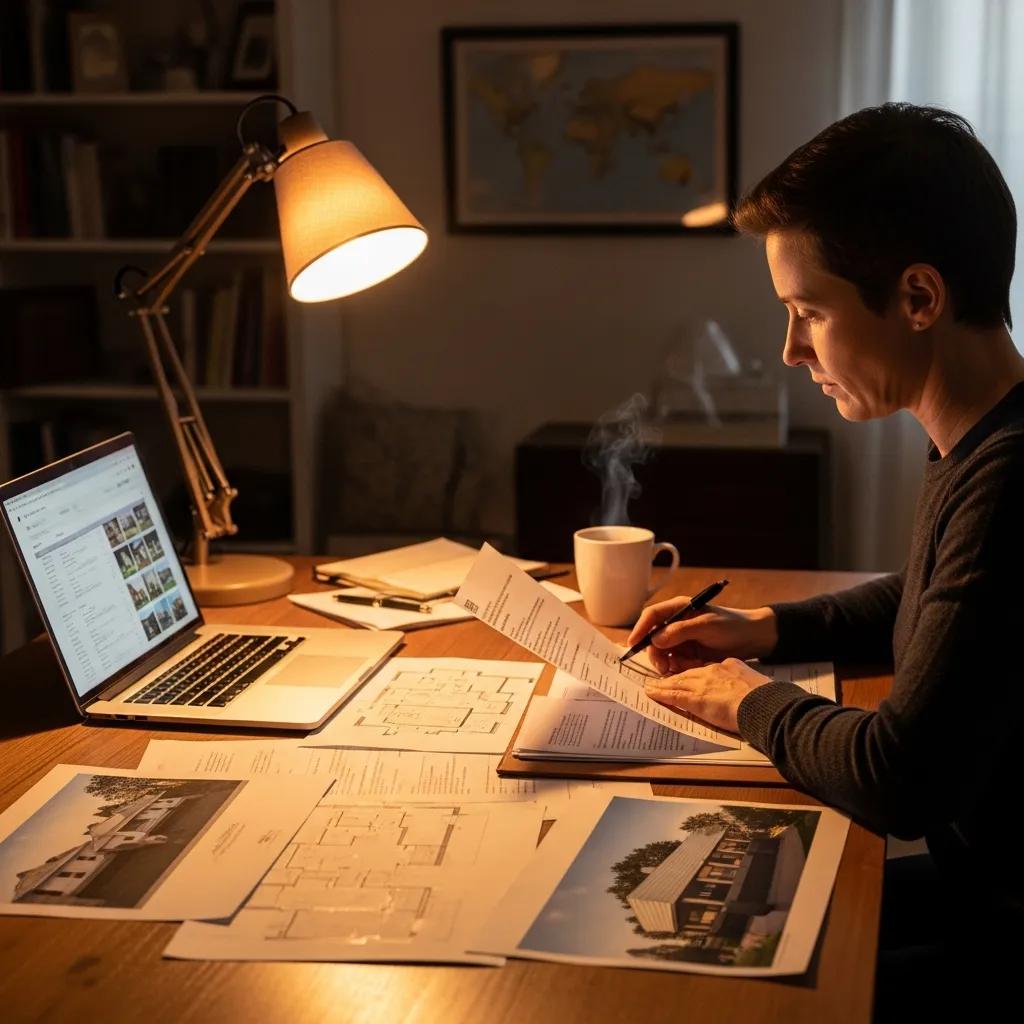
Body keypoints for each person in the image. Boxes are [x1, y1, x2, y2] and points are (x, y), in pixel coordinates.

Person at [628, 103, 1024, 1012]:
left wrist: (745, 699)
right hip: (980, 883)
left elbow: (901, 778)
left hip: (1002, 919)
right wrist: (767, 627)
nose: (791, 349)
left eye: (809, 311)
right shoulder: (985, 439)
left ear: (919, 299)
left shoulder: (1012, 478)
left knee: (694, 984)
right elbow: (937, 602)